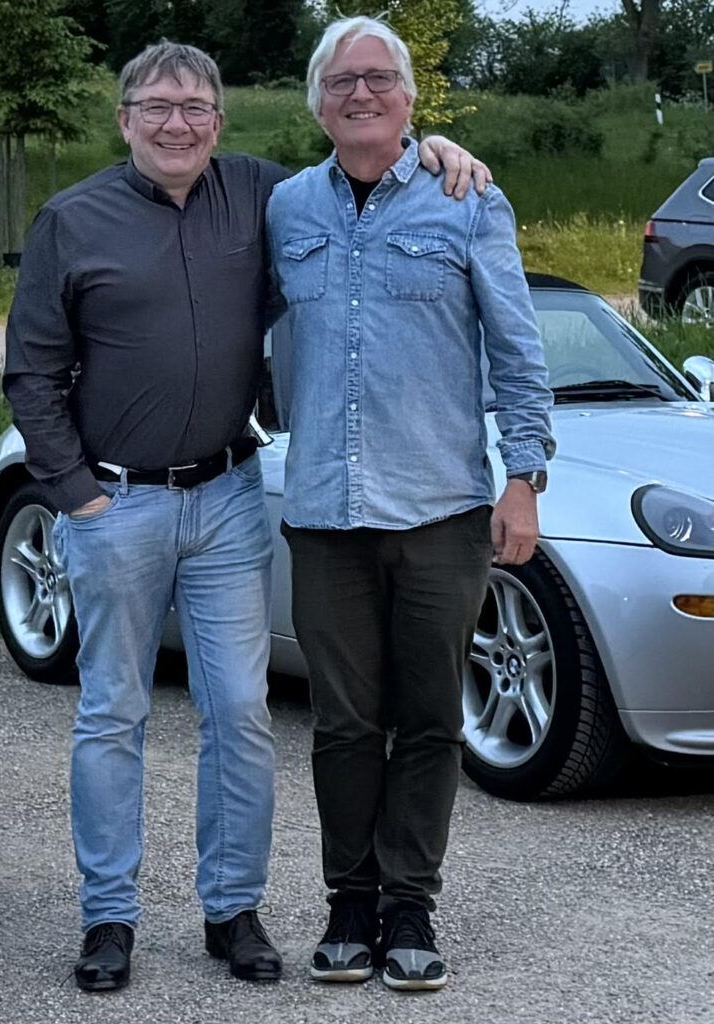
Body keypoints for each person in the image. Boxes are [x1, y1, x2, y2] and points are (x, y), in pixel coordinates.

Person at [3, 39, 489, 993]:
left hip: (228, 500)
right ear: (125, 119)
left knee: (240, 712)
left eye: (195, 107)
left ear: (219, 123)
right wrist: (77, 495)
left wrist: (437, 148)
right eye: (157, 105)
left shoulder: (265, 196)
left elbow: (362, 159)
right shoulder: (72, 220)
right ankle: (109, 917)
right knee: (113, 714)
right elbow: (31, 374)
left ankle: (233, 909)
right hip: (117, 505)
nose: (176, 123)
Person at [266, 16, 556, 993]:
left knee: (431, 718)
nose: (361, 93)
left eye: (379, 78)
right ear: (317, 102)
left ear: (409, 97)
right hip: (325, 515)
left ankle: (411, 906)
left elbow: (516, 349)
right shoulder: (286, 209)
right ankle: (349, 904)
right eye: (341, 81)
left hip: (440, 510)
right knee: (344, 722)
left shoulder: (468, 198)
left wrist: (524, 477)